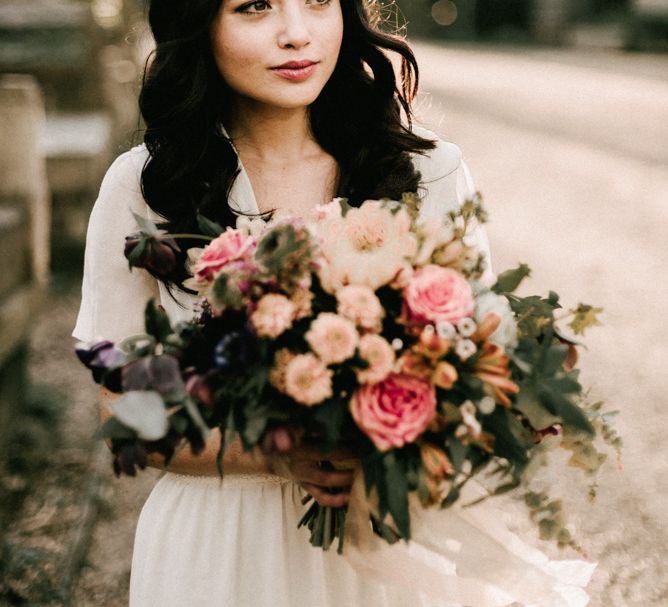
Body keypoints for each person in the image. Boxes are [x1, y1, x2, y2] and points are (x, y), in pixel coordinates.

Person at [73, 0, 595, 605]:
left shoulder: (428, 173)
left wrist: (508, 397)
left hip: (390, 550)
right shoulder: (143, 186)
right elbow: (123, 415)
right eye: (254, 7)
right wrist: (277, 452)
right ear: (200, 25)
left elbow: (474, 359)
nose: (297, 34)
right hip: (220, 552)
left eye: (319, 0)